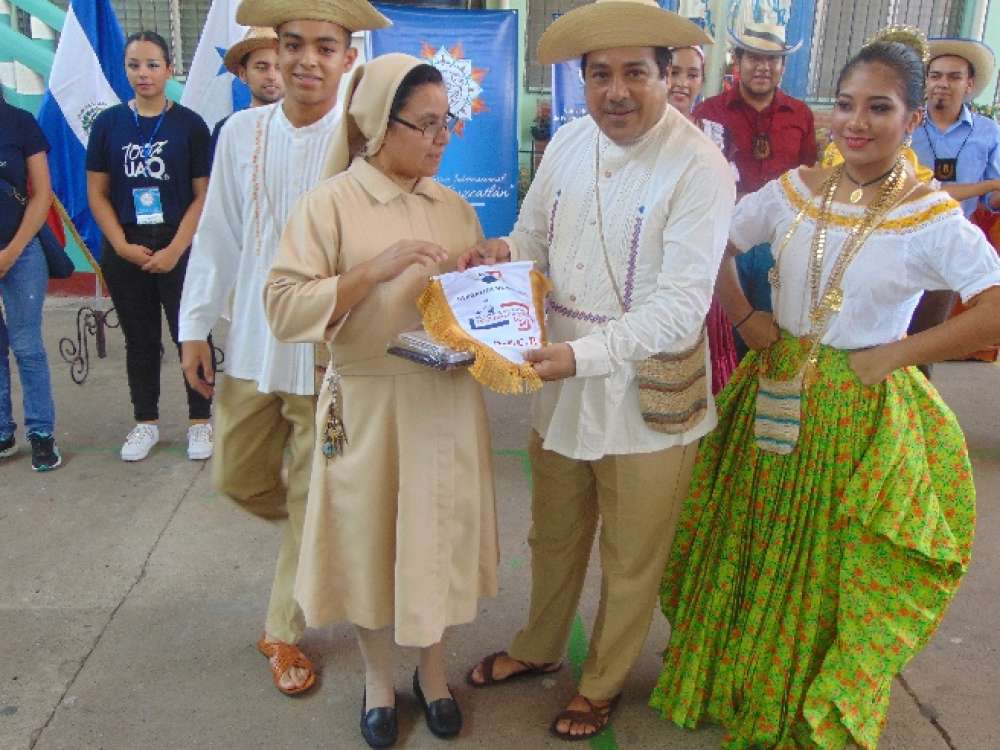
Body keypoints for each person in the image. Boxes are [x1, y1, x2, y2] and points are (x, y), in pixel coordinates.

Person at [650, 36, 1000, 750]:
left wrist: (896, 357)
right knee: (747, 535)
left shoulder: (927, 215)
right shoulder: (795, 190)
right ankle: (733, 675)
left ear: (911, 121)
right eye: (845, 105)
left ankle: (801, 692)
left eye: (880, 108)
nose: (858, 123)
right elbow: (709, 239)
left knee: (822, 556)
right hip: (769, 387)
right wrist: (746, 318)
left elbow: (992, 304)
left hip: (853, 409)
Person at [461, 0, 735, 740]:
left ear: (669, 76)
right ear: (583, 83)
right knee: (553, 535)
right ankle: (539, 648)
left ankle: (603, 680)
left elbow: (683, 304)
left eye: (636, 73)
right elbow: (534, 236)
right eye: (601, 75)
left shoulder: (701, 166)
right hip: (560, 383)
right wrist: (501, 256)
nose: (618, 91)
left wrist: (579, 357)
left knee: (632, 553)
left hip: (646, 394)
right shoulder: (570, 141)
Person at [264, 53, 498, 748]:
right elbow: (281, 303)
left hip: (444, 399)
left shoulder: (453, 207)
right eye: (425, 125)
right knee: (368, 544)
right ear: (376, 125)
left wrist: (481, 276)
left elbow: (473, 307)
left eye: (445, 123)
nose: (441, 138)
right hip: (367, 403)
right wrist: (370, 272)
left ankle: (432, 676)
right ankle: (376, 679)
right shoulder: (330, 204)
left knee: (435, 540)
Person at [178, 0, 389, 698]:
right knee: (234, 476)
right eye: (294, 44)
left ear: (347, 57)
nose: (306, 60)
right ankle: (323, 532)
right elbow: (219, 236)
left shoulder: (366, 139)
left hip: (329, 352)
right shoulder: (240, 133)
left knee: (310, 489)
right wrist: (194, 325)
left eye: (324, 47)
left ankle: (283, 631)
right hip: (254, 345)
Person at [86, 31, 212, 462]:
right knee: (140, 340)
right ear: (125, 70)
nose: (143, 73)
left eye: (152, 64)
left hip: (178, 243)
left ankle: (200, 421)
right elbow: (97, 193)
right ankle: (146, 422)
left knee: (191, 333)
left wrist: (178, 248)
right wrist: (120, 244)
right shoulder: (108, 124)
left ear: (168, 69)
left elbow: (202, 194)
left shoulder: (190, 124)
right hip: (127, 245)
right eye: (134, 65)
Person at [695, 20, 817, 358]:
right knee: (723, 336)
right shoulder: (710, 112)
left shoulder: (801, 115)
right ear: (738, 61)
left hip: (780, 241)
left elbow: (810, 176)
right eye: (753, 58)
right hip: (724, 239)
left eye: (772, 59)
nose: (763, 67)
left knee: (777, 333)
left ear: (782, 66)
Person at [911, 37, 1000, 362]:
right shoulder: (907, 126)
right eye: (935, 76)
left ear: (970, 84)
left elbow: (992, 197)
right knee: (883, 336)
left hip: (950, 244)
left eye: (953, 77)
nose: (942, 85)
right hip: (898, 237)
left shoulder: (987, 132)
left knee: (926, 342)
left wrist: (993, 195)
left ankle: (916, 409)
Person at [668, 44, 739, 392]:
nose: (681, 83)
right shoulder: (635, 133)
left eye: (692, 74)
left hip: (703, 262)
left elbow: (729, 198)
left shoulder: (716, 133)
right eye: (673, 72)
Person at [0, 92, 61, 471]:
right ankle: (2, 432)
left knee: (26, 345)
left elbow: (42, 194)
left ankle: (41, 434)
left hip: (21, 252)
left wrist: (12, 250)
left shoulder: (21, 123)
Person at [209, 26, 283, 161]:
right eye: (262, 68)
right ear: (243, 74)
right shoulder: (227, 129)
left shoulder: (305, 126)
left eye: (279, 67)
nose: (272, 76)